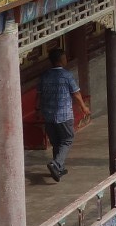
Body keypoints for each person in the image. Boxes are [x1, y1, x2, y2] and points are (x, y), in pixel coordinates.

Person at [37, 43, 90, 181]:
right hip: (64, 115)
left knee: (56, 142)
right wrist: (84, 108)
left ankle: (58, 169)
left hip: (48, 115)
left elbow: (39, 95)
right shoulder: (66, 75)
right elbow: (76, 94)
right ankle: (56, 163)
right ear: (61, 60)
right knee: (67, 139)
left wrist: (38, 110)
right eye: (65, 57)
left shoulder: (45, 76)